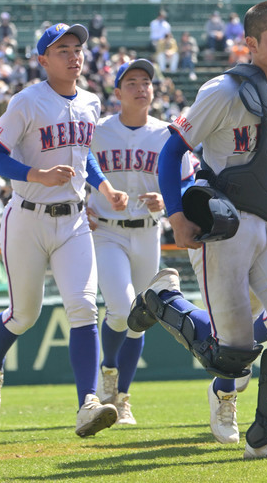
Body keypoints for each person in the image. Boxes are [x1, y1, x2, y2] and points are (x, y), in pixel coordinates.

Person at [131, 0, 267, 459]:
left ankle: (265, 438)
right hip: (224, 227)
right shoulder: (224, 91)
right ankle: (163, 298)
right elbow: (171, 151)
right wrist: (177, 215)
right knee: (232, 356)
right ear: (252, 44)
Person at [0, 23, 128, 438]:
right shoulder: (27, 101)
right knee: (24, 314)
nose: (73, 56)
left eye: (77, 48)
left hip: (74, 219)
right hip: (27, 215)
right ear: (43, 60)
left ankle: (87, 404)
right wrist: (35, 175)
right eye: (62, 50)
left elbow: (84, 157)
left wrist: (105, 186)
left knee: (83, 306)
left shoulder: (92, 102)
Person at [88, 59, 196, 425]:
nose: (140, 87)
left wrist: (169, 200)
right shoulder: (97, 132)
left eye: (146, 81)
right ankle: (108, 370)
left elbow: (186, 181)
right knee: (120, 309)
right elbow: (73, 166)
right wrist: (77, 207)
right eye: (131, 81)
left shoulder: (167, 133)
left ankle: (122, 397)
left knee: (141, 317)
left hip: (149, 229)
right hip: (106, 229)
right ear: (117, 93)